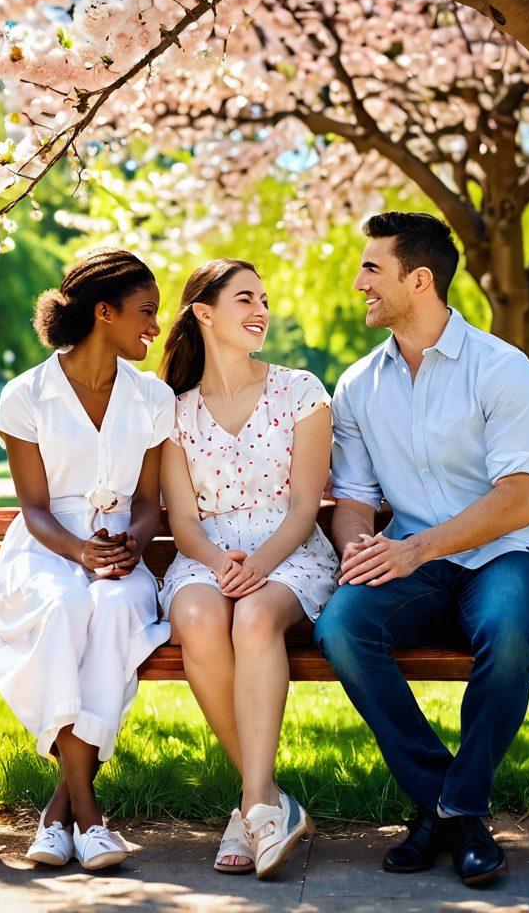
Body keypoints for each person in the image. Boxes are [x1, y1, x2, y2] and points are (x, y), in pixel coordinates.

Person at [314, 212, 529, 888]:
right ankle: (452, 807)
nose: (358, 281)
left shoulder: (502, 369)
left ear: (418, 280)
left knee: (508, 634)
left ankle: (449, 810)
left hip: (505, 558)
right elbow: (355, 498)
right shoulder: (358, 385)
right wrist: (360, 546)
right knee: (340, 626)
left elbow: (518, 499)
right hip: (412, 565)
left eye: (372, 268)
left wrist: (416, 549)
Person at [0, 249, 175, 870]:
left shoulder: (152, 397)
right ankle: (89, 817)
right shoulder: (27, 395)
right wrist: (79, 552)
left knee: (114, 609)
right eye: (145, 312)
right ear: (103, 312)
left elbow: (149, 502)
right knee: (63, 604)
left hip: (119, 555)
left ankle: (57, 814)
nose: (155, 326)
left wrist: (130, 547)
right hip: (44, 552)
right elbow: (34, 510)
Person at [159, 259, 335, 879]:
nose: (261, 310)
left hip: (289, 551)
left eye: (264, 298)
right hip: (207, 555)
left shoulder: (301, 391)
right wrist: (216, 561)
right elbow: (182, 521)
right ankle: (266, 801)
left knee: (255, 616)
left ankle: (251, 805)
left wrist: (257, 566)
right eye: (244, 300)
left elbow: (305, 506)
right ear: (204, 314)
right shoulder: (174, 412)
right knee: (200, 616)